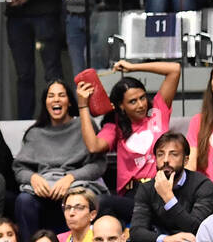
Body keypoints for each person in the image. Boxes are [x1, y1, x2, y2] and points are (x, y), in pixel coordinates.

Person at [76, 60, 181, 221]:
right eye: (133, 101)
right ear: (122, 106)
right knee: (102, 203)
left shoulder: (157, 111)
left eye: (142, 98)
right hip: (134, 196)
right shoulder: (116, 125)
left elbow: (174, 69)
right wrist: (83, 107)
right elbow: (93, 146)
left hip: (163, 188)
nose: (141, 105)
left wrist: (133, 67)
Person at [13, 79, 107, 242]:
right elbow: (19, 168)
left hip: (77, 188)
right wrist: (33, 178)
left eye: (61, 95)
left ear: (69, 101)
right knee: (23, 200)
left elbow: (99, 164)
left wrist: (71, 178)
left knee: (78, 202)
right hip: (44, 191)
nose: (56, 100)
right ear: (45, 102)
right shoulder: (35, 133)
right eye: (51, 96)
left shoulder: (83, 125)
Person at [125, 132, 213, 242]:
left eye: (173, 154)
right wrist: (167, 239)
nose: (166, 160)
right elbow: (136, 231)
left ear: (186, 160)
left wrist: (168, 198)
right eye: (161, 154)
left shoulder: (202, 185)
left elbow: (197, 228)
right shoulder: (146, 188)